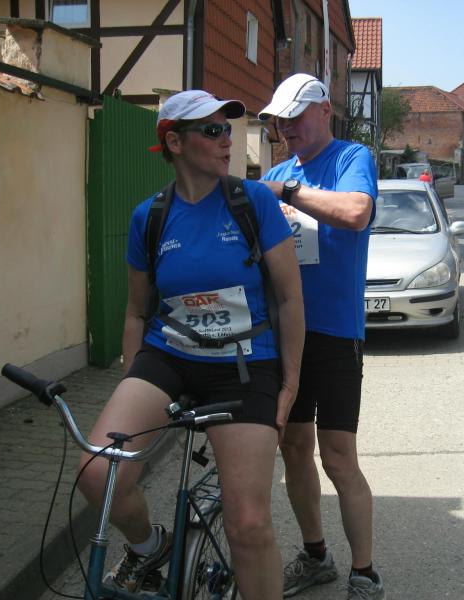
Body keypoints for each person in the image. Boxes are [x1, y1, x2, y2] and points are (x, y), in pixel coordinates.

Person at [77, 89, 305, 600]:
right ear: (175, 142)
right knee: (97, 476)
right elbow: (137, 311)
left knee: (248, 523)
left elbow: (291, 299)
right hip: (169, 354)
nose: (227, 140)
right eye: (213, 130)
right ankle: (149, 547)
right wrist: (132, 385)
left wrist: (290, 383)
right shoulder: (151, 216)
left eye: (228, 129)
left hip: (245, 364)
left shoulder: (253, 202)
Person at [258, 73, 385, 600]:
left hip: (334, 332)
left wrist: (289, 193)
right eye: (279, 121)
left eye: (295, 116)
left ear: (325, 110)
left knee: (337, 457)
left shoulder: (352, 158)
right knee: (294, 448)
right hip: (285, 335)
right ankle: (316, 556)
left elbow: (356, 213)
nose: (286, 128)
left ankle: (364, 573)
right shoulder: (276, 172)